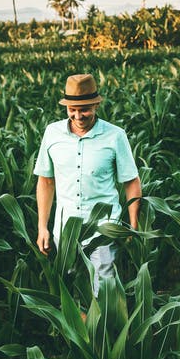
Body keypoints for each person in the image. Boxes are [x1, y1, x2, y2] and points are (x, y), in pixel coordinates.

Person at [34, 73, 141, 295]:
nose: (78, 115)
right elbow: (45, 181)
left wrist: (133, 224)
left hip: (104, 228)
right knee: (73, 289)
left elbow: (131, 181)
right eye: (72, 109)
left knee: (105, 290)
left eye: (84, 109)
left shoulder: (115, 136)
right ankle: (82, 329)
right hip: (65, 229)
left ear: (95, 105)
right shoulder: (52, 134)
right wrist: (42, 227)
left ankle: (104, 329)